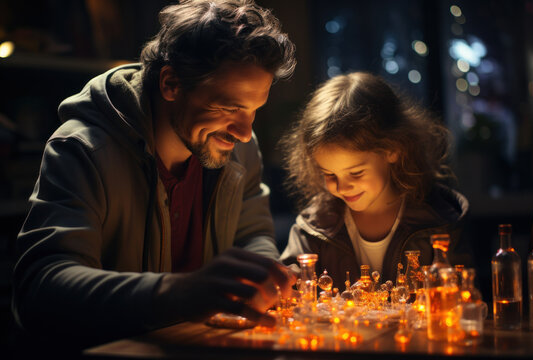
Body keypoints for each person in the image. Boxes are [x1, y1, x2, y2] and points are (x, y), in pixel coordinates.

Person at [12, 0, 296, 348]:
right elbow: (40, 291)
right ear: (171, 83)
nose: (243, 131)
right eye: (229, 107)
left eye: (253, 110)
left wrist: (264, 276)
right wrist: (176, 293)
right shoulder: (84, 149)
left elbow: (252, 233)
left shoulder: (240, 146)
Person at [279, 72, 472, 291]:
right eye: (330, 174)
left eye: (356, 173)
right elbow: (286, 293)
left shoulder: (440, 224)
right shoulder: (312, 229)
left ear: (393, 150)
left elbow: (459, 302)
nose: (342, 187)